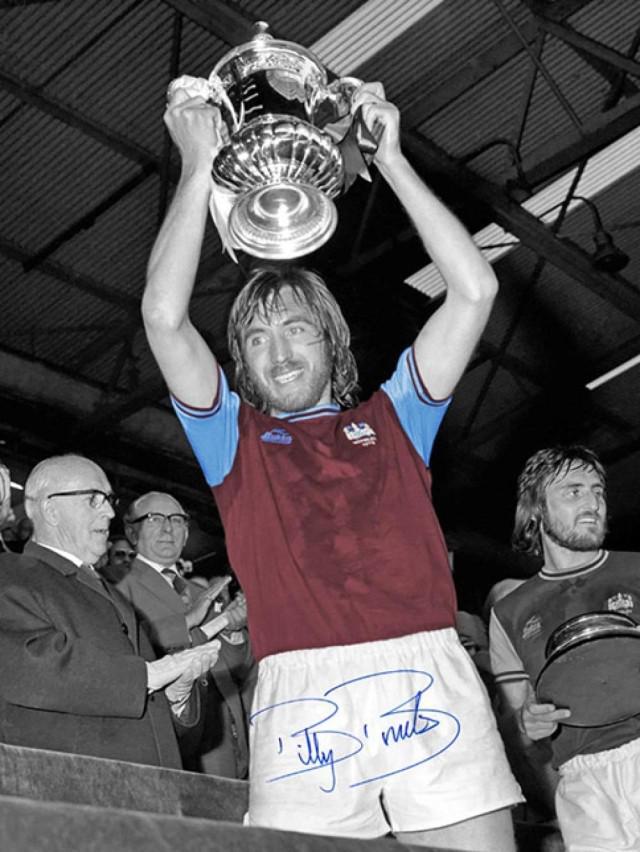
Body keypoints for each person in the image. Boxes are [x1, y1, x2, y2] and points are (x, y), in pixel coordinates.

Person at [141, 78, 521, 850]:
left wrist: (392, 158)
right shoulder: (234, 440)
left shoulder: (395, 419)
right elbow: (163, 316)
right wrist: (197, 164)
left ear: (331, 340)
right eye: (257, 338)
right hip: (299, 695)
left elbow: (475, 288)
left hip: (426, 675)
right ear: (244, 362)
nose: (278, 351)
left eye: (296, 329)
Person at [0, 454, 221, 768]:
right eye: (94, 499)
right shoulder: (11, 573)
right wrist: (150, 675)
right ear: (50, 509)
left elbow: (146, 716)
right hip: (71, 789)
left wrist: (175, 697)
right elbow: (29, 664)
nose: (110, 511)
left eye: (109, 499)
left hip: (148, 788)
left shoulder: (111, 594)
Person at [490, 445, 640, 851]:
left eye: (597, 491)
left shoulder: (636, 569)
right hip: (582, 785)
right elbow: (521, 725)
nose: (593, 503)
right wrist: (528, 723)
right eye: (574, 491)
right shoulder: (508, 613)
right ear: (536, 509)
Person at [117, 490, 256, 777]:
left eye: (176, 520)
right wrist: (192, 622)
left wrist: (235, 630)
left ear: (186, 533)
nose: (168, 528)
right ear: (131, 532)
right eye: (155, 519)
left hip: (227, 740)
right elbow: (135, 651)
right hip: (178, 743)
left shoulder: (200, 592)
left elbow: (237, 666)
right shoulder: (118, 587)